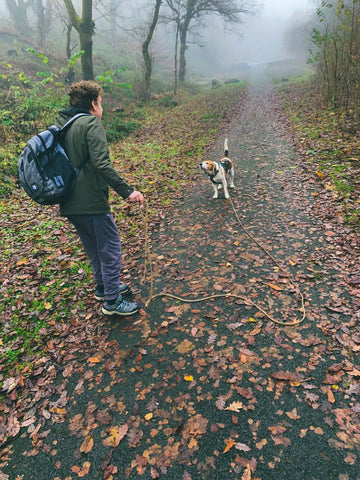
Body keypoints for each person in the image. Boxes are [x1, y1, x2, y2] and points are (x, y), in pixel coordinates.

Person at [57, 80, 144, 316]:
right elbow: (101, 164)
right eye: (101, 102)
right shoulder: (91, 124)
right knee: (111, 248)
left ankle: (104, 287)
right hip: (90, 201)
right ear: (94, 103)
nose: (102, 107)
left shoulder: (63, 124)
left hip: (68, 200)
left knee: (94, 247)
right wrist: (128, 191)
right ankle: (112, 302)